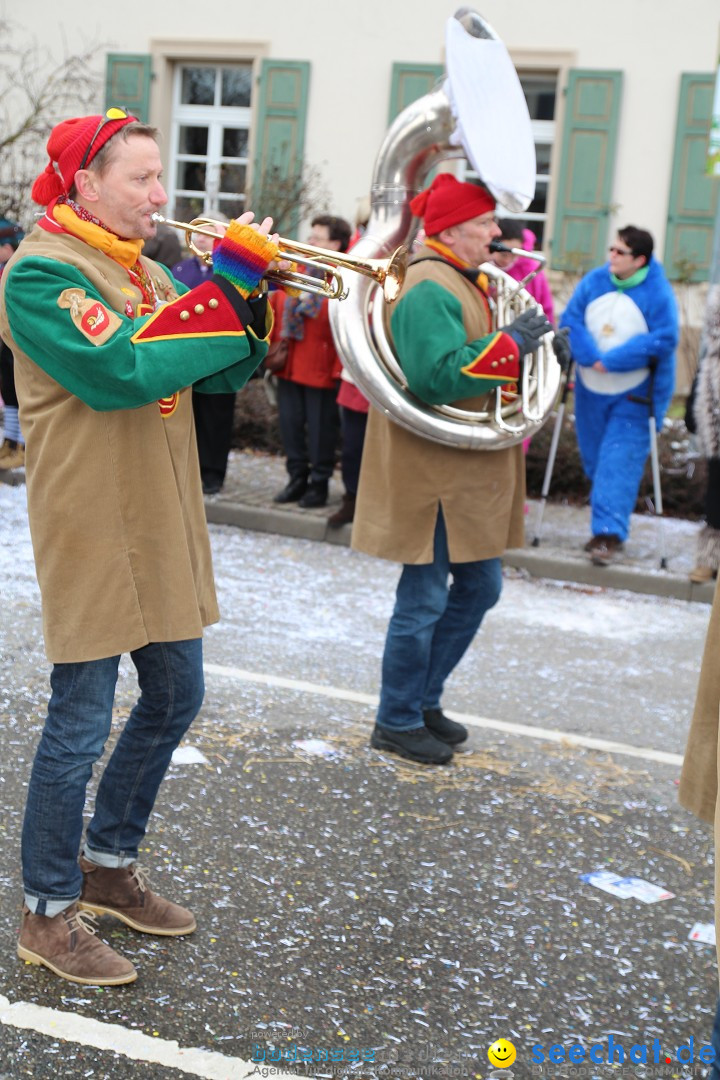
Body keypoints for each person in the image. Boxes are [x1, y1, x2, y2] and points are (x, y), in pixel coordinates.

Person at [0, 109, 282, 986]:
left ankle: (109, 864)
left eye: (161, 178)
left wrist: (252, 291)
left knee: (176, 693)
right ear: (86, 184)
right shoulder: (42, 274)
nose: (161, 196)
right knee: (78, 724)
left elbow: (221, 369)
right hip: (91, 520)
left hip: (158, 514)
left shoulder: (151, 271)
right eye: (141, 178)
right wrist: (223, 278)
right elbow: (123, 368)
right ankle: (48, 910)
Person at [351, 173, 552, 765]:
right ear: (454, 229)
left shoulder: (464, 280)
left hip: (460, 471)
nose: (497, 233)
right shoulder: (427, 286)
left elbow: (479, 358)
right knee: (422, 602)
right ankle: (397, 718)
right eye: (487, 223)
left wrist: (537, 352)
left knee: (480, 587)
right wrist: (513, 346)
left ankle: (420, 699)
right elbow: (436, 376)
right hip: (431, 474)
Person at [559, 225, 678, 566]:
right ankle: (609, 517)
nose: (611, 256)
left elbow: (664, 338)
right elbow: (571, 319)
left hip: (636, 396)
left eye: (620, 252)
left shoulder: (658, 291)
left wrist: (610, 361)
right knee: (596, 458)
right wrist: (586, 355)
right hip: (591, 389)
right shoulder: (596, 281)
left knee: (617, 460)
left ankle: (607, 534)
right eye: (611, 249)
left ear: (639, 259)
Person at [271, 214, 352, 509]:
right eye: (312, 236)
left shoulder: (341, 275)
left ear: (336, 243)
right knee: (291, 426)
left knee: (321, 431)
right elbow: (279, 302)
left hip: (321, 365)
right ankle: (296, 478)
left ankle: (318, 483)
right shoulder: (300, 268)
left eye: (318, 237)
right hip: (291, 363)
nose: (310, 242)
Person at [171, 212, 236, 495]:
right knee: (189, 415)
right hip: (187, 354)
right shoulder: (181, 269)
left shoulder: (228, 271)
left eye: (209, 233)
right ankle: (189, 470)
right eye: (197, 232)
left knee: (216, 418)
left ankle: (213, 474)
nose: (200, 238)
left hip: (220, 354)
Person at [685, 289, 720, 583]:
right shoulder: (715, 354)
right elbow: (703, 379)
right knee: (716, 497)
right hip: (718, 434)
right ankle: (708, 559)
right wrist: (693, 413)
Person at [490, 219, 555, 323]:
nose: (508, 260)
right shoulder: (481, 266)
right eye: (503, 254)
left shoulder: (532, 270)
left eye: (514, 255)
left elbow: (546, 308)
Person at [0, 217, 26, 470]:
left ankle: (23, 445)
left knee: (19, 393)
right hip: (5, 339)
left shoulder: (18, 268)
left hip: (17, 338)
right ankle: (10, 440)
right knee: (8, 390)